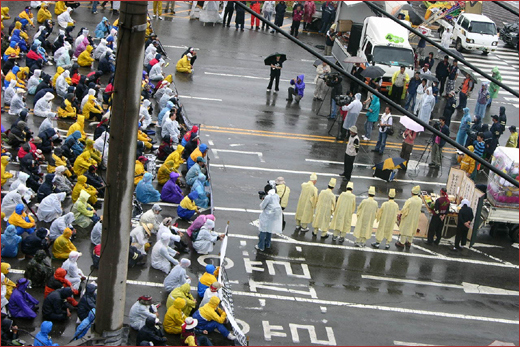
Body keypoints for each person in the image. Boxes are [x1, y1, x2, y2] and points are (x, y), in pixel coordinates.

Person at [256, 183, 283, 250]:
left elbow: (262, 206)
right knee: (269, 230)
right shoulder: (276, 196)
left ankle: (260, 246)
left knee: (263, 230)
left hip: (267, 216)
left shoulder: (268, 197)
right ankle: (267, 244)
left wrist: (263, 199)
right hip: (274, 216)